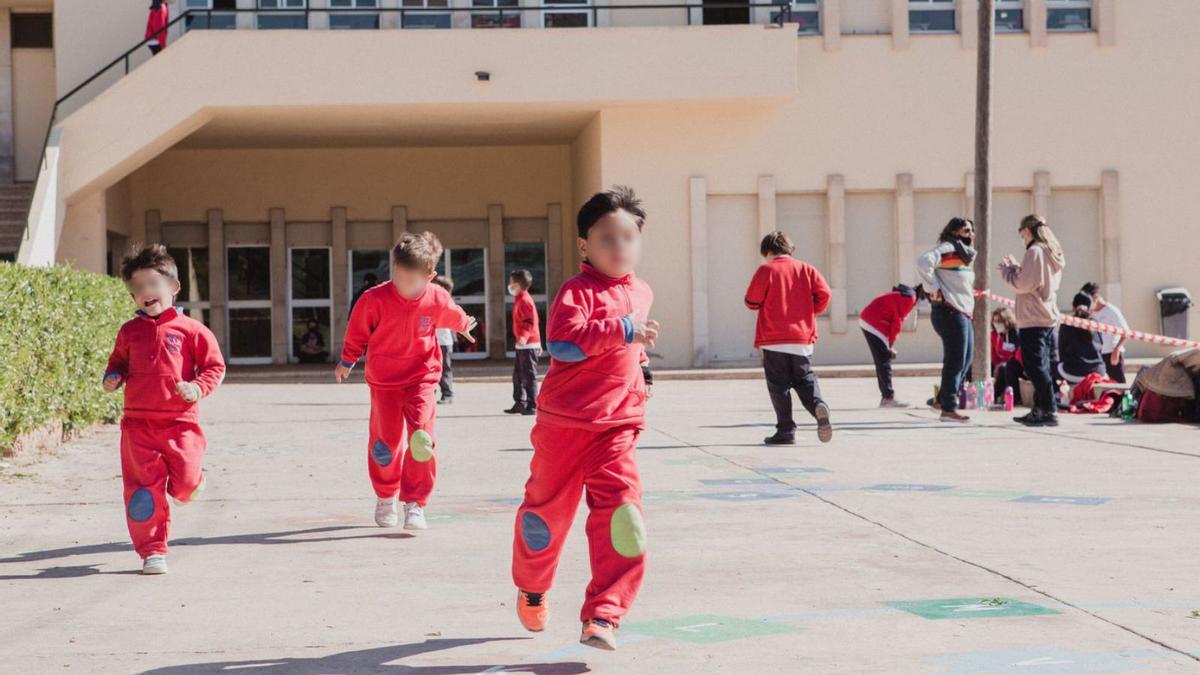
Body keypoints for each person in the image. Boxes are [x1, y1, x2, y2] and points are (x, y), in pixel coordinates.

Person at [512, 186, 658, 651]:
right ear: (584, 246)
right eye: (607, 238)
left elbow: (630, 348)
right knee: (545, 518)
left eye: (628, 237)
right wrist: (623, 329)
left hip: (617, 426)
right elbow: (563, 343)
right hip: (565, 425)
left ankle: (604, 616)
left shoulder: (642, 290)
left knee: (624, 520)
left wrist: (643, 370)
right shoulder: (577, 291)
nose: (620, 247)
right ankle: (533, 587)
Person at [335, 232, 478, 531]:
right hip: (384, 382)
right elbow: (358, 331)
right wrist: (348, 360)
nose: (403, 285)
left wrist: (465, 325)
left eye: (411, 280)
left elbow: (452, 314)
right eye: (399, 276)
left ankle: (415, 503)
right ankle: (386, 496)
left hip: (421, 379)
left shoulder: (436, 297)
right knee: (385, 445)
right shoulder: (374, 299)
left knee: (421, 441)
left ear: (430, 276)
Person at [102, 245, 226, 575]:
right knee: (143, 493)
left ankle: (192, 482)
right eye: (138, 288)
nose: (146, 293)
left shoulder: (192, 331)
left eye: (153, 284)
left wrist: (197, 387)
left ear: (173, 287)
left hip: (180, 423)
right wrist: (113, 376)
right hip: (138, 426)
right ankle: (152, 550)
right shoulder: (130, 331)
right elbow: (118, 362)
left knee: (184, 486)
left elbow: (214, 367)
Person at [744, 232, 833, 444]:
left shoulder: (766, 269)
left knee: (779, 385)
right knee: (805, 379)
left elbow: (751, 300)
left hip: (774, 338)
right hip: (802, 338)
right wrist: (810, 312)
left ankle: (786, 430)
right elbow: (825, 294)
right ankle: (818, 405)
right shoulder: (807, 268)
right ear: (789, 249)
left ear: (767, 251)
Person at [999, 214, 1066, 427]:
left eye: (1021, 233)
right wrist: (1019, 268)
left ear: (1027, 230)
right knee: (1041, 365)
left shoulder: (1035, 251)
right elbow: (1035, 279)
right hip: (1045, 315)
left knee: (1035, 366)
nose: (1021, 237)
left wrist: (1007, 272)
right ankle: (1039, 409)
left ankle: (1048, 409)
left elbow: (1024, 284)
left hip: (1033, 317)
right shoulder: (1049, 251)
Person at [916, 217, 977, 423]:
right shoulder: (948, 248)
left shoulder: (963, 255)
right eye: (965, 230)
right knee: (956, 359)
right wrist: (933, 288)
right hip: (949, 311)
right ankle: (949, 408)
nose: (970, 234)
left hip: (963, 311)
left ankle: (942, 400)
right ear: (954, 231)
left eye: (971, 230)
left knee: (966, 360)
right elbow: (923, 262)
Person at [859, 284, 923, 408]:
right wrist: (890, 345)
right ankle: (887, 398)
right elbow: (897, 322)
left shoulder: (906, 295)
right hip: (874, 323)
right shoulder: (910, 298)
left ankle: (886, 397)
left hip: (870, 320)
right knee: (884, 360)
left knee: (882, 359)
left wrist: (889, 345)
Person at [504, 269, 542, 416]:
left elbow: (529, 322)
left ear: (518, 285)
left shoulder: (525, 300)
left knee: (528, 375)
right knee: (518, 375)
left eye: (511, 282)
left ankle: (532, 404)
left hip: (528, 344)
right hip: (523, 344)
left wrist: (524, 337)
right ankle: (520, 402)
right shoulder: (520, 298)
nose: (509, 285)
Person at [1082, 281, 1130, 383]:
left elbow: (1126, 332)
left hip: (1112, 353)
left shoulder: (1111, 310)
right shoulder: (1089, 313)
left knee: (1118, 384)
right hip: (1097, 355)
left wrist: (1116, 350)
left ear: (1096, 296)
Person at [1058, 293, 1107, 385]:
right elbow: (1100, 347)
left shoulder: (1066, 323)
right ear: (1090, 307)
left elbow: (1061, 351)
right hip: (1098, 371)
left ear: (1073, 306)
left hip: (1074, 372)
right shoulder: (1095, 324)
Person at [990, 307, 1023, 406]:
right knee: (972, 368)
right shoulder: (995, 334)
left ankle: (996, 396)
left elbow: (1018, 353)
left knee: (1005, 368)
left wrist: (1001, 364)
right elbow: (993, 353)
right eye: (995, 321)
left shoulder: (1016, 333)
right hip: (999, 363)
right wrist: (996, 364)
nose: (997, 324)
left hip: (1014, 363)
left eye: (999, 321)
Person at [432, 276, 455, 404]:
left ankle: (447, 394)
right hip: (432, 341)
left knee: (444, 369)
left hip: (443, 342)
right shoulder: (434, 301)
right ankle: (430, 393)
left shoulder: (447, 303)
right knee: (431, 369)